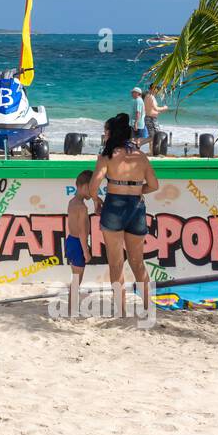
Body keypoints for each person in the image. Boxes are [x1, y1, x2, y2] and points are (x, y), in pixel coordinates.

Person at [89, 113, 160, 317]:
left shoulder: (106, 156)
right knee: (137, 262)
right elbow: (154, 186)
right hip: (136, 207)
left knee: (116, 261)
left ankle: (120, 309)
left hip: (114, 205)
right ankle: (148, 307)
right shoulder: (140, 156)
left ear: (111, 134)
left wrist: (97, 200)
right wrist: (137, 191)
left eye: (106, 132)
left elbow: (94, 187)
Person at [66, 170, 102, 315]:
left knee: (75, 278)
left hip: (71, 241)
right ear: (82, 186)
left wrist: (95, 198)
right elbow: (81, 231)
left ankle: (71, 307)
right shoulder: (82, 207)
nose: (94, 191)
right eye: (91, 188)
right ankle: (71, 309)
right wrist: (86, 251)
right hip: (77, 243)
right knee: (77, 280)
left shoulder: (73, 202)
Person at [142, 83, 167, 150]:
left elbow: (150, 109)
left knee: (154, 136)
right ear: (153, 89)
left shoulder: (148, 96)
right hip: (150, 119)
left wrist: (156, 112)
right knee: (156, 135)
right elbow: (156, 108)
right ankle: (139, 144)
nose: (157, 91)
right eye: (156, 89)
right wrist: (164, 108)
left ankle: (153, 150)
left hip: (150, 118)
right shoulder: (151, 97)